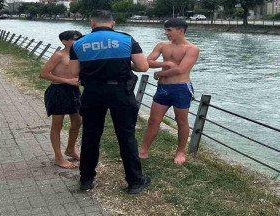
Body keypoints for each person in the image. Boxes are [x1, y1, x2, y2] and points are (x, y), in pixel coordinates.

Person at [69, 10, 151, 194]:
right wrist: (123, 64)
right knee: (126, 136)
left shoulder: (79, 43)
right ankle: (135, 181)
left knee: (90, 135)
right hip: (120, 91)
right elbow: (142, 66)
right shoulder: (127, 39)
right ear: (113, 24)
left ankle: (86, 179)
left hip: (92, 92)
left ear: (92, 23)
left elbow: (74, 72)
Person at [139, 18, 200, 165]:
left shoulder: (192, 49)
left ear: (181, 30)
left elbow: (181, 69)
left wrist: (159, 73)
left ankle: (180, 151)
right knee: (153, 120)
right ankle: (143, 151)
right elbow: (148, 62)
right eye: (165, 30)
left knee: (181, 121)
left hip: (181, 88)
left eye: (169, 30)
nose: (166, 33)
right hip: (163, 89)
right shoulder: (162, 45)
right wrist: (165, 63)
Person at [38, 30, 83, 169]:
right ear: (65, 41)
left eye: (79, 39)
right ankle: (58, 158)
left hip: (73, 91)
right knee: (57, 124)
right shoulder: (59, 55)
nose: (78, 41)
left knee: (77, 121)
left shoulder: (79, 55)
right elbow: (44, 74)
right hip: (58, 91)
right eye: (75, 39)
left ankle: (70, 149)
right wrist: (66, 80)